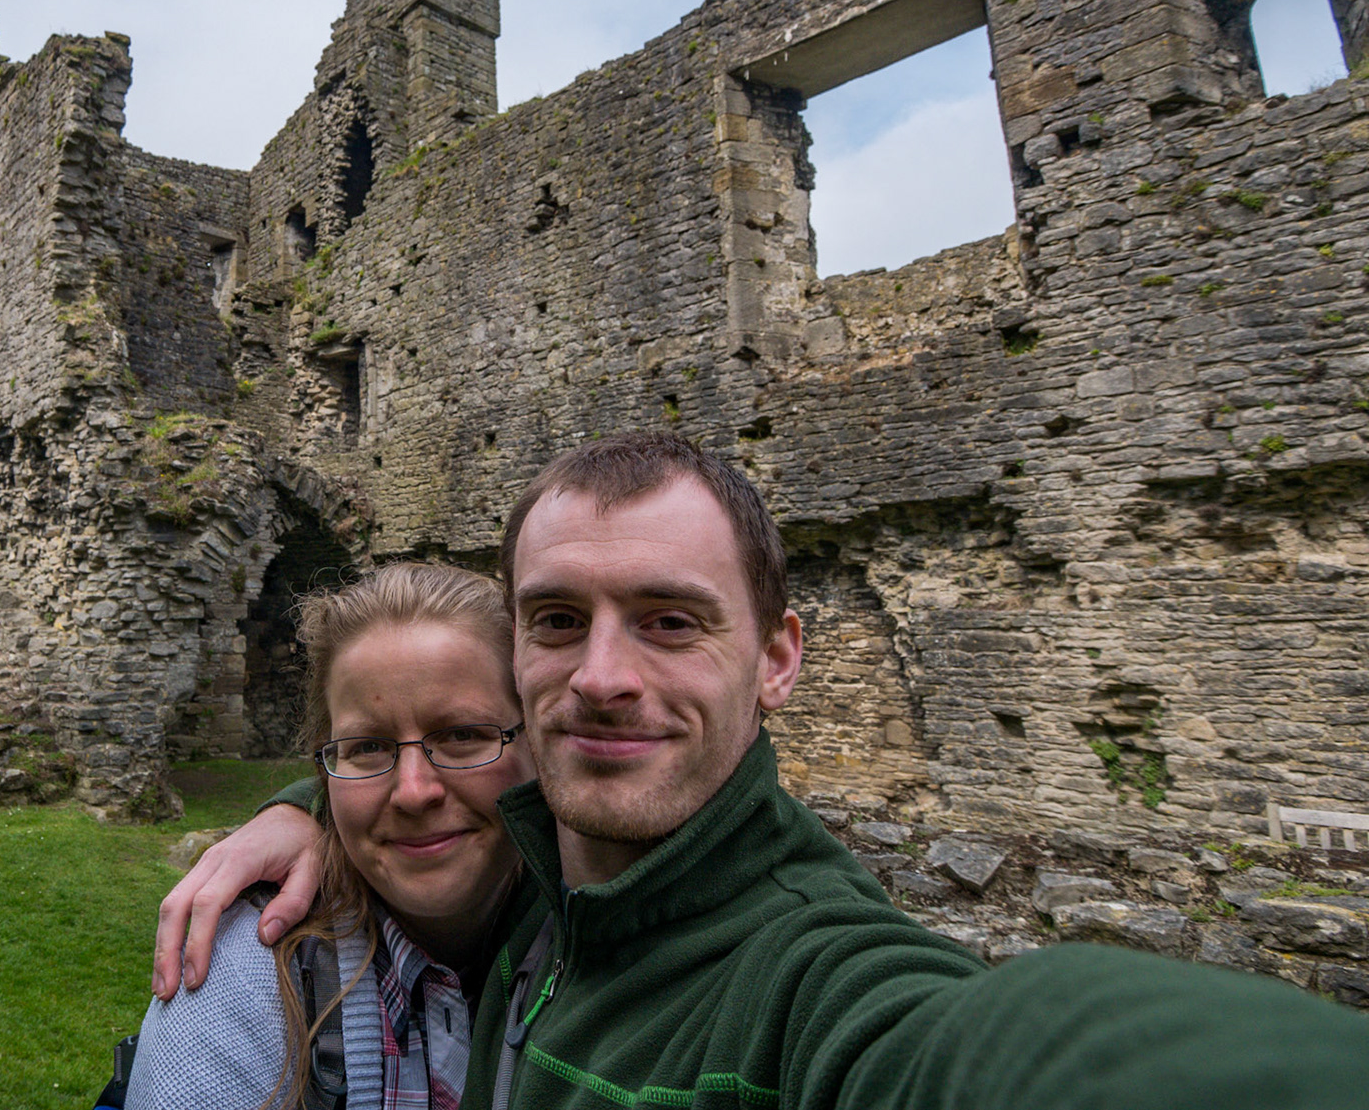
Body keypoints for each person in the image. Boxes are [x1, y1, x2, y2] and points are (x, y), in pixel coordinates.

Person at [158, 430, 1369, 1110]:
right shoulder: (538, 898)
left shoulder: (805, 975)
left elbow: (960, 1045)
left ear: (779, 656)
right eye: (558, 620)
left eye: (673, 621)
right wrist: (320, 803)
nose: (603, 676)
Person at [126, 561, 536, 1110]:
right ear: (325, 766)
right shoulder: (247, 971)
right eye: (367, 747)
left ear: (542, 740)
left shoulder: (614, 935)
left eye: (464, 735)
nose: (413, 792)